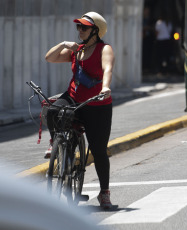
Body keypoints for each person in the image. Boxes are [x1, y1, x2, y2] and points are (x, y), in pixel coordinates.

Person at [44, 12, 115, 209]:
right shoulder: (77, 50)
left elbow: (107, 69)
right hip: (73, 98)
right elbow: (49, 58)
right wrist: (64, 44)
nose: (80, 30)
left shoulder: (104, 49)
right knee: (51, 111)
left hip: (97, 104)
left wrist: (105, 88)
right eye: (79, 27)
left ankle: (104, 192)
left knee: (99, 150)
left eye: (84, 27)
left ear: (95, 31)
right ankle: (55, 143)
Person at [155, 10, 173, 76]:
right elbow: (170, 32)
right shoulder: (169, 23)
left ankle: (160, 71)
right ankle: (167, 71)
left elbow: (157, 33)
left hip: (160, 41)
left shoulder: (159, 23)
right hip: (167, 41)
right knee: (167, 56)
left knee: (159, 57)